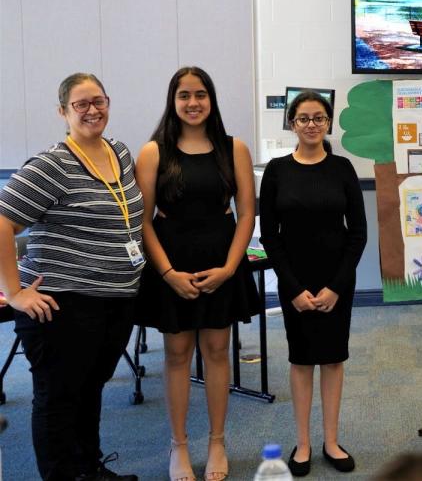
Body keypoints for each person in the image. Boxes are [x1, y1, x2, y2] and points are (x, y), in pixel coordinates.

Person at [0, 73, 143, 480]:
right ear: (63, 112)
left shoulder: (118, 151)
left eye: (98, 101)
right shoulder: (52, 164)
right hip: (61, 304)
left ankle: (89, 469)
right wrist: (14, 293)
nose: (92, 110)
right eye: (81, 104)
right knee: (59, 399)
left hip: (114, 300)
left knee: (90, 390)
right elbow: (1, 223)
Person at [135, 67, 260, 481]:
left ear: (212, 99)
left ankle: (218, 442)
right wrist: (167, 272)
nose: (193, 103)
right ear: (173, 101)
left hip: (220, 263)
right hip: (172, 265)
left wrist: (229, 268)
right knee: (176, 355)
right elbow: (144, 220)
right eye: (184, 95)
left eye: (201, 94)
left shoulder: (233, 148)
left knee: (218, 351)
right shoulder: (154, 152)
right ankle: (179, 446)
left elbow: (247, 215)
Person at [259, 91, 367, 475]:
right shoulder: (277, 171)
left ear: (328, 123)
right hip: (295, 282)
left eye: (318, 118)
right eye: (303, 118)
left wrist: (336, 286)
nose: (310, 124)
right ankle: (303, 444)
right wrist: (291, 289)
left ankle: (331, 441)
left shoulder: (342, 168)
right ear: (291, 123)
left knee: (334, 358)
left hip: (337, 282)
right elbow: (270, 236)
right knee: (302, 360)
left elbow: (357, 234)